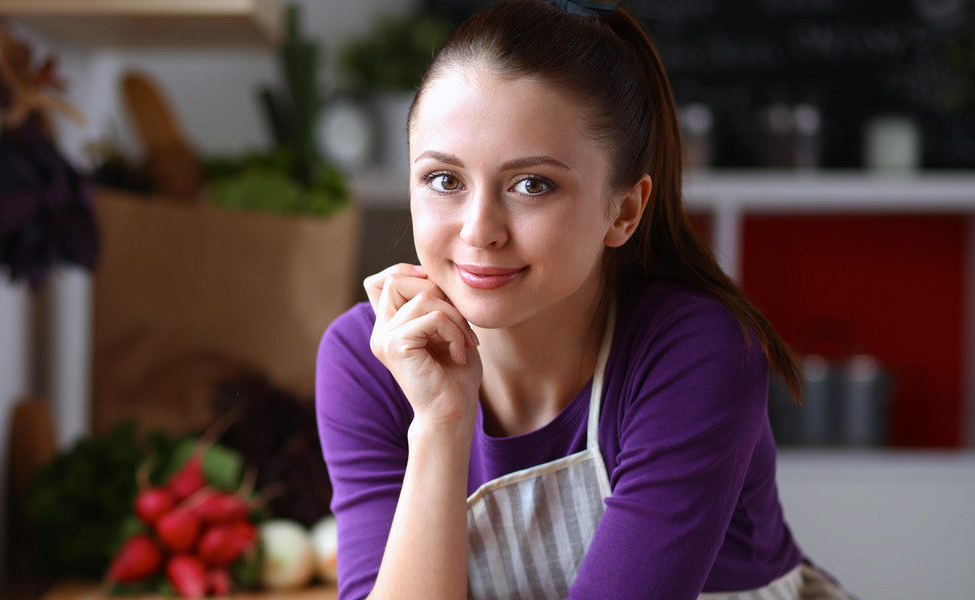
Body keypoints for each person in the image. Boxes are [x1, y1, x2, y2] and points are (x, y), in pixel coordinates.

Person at [315, 1, 855, 598]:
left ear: (623, 211)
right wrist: (441, 423)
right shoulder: (369, 359)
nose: (478, 230)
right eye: (444, 180)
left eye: (531, 185)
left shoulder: (695, 352)